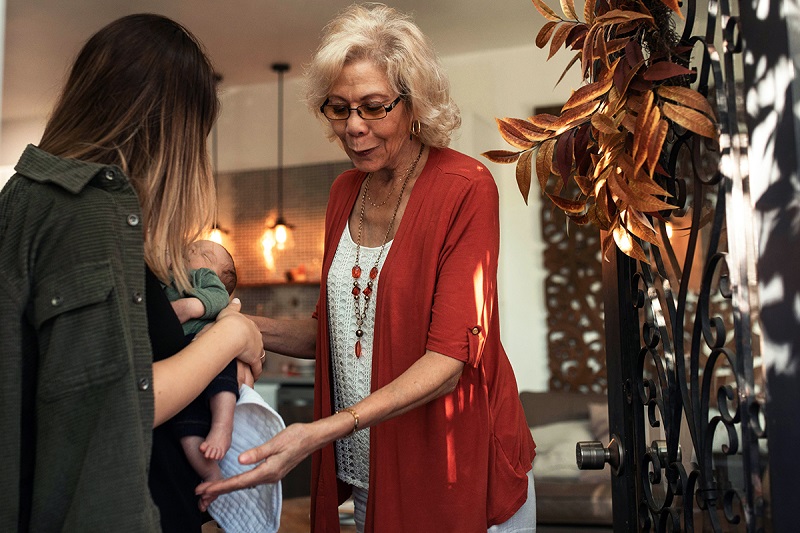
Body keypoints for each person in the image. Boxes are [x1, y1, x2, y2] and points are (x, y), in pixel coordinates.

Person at [197, 4, 537, 532]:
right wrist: (237, 329)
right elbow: (333, 332)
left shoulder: (465, 187)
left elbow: (448, 361)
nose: (354, 127)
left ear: (413, 103)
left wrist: (323, 430)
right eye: (339, 108)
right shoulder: (343, 193)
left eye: (374, 107)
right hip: (367, 466)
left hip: (453, 462)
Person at [0, 14, 265, 532]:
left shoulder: (25, 200)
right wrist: (233, 333)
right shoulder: (88, 211)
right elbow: (121, 405)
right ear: (170, 130)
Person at [164, 239, 240, 483]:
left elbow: (219, 298)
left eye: (206, 255)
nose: (193, 250)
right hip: (179, 357)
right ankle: (211, 477)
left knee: (223, 380)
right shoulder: (169, 277)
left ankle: (222, 425)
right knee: (186, 426)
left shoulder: (202, 276)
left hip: (207, 345)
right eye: (192, 248)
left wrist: (192, 306)